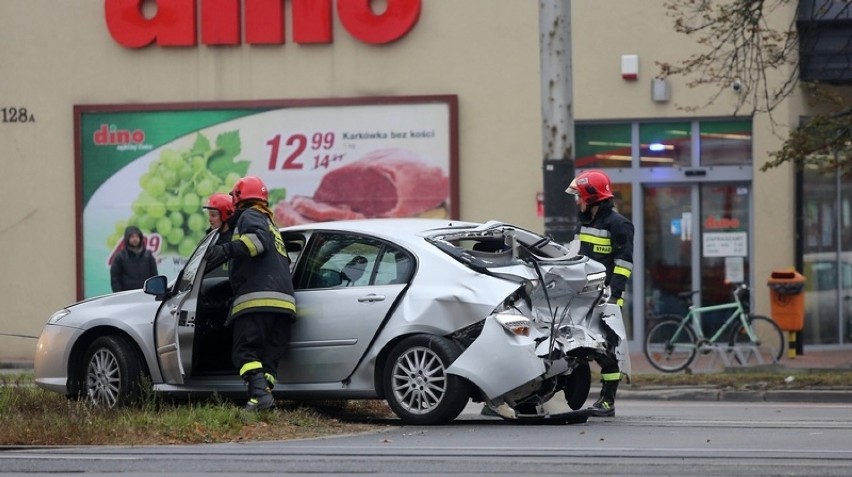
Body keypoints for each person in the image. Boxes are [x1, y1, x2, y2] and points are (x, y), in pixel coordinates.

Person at [205, 176, 296, 412]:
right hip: (284, 304)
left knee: (243, 352)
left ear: (238, 197)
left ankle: (260, 397)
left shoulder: (251, 216)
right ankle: (260, 398)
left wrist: (224, 251)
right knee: (267, 360)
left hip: (258, 299)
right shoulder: (270, 223)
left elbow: (255, 244)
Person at [565, 169, 634, 417]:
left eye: (579, 196)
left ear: (591, 197)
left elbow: (624, 264)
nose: (577, 201)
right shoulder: (584, 223)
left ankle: (608, 401)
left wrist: (614, 295)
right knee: (574, 345)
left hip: (606, 297)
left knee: (607, 348)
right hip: (582, 295)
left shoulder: (620, 225)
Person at [110, 225, 159, 292]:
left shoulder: (148, 256)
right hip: (127, 296)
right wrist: (119, 296)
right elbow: (115, 279)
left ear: (140, 238)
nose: (135, 239)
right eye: (132, 237)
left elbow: (154, 276)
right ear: (127, 239)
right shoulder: (120, 257)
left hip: (146, 295)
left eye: (137, 236)